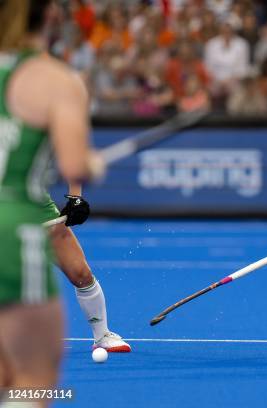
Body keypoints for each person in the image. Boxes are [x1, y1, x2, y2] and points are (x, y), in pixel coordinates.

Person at [0, 0, 103, 402]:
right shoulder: (55, 79)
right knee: (32, 381)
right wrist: (93, 165)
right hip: (14, 226)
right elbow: (74, 161)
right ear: (50, 18)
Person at [44, 184, 131, 353]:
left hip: (35, 206)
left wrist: (76, 197)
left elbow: (71, 162)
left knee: (80, 274)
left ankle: (102, 335)